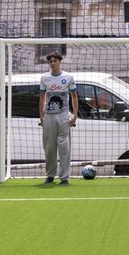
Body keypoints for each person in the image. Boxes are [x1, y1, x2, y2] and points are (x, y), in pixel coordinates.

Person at [38, 50, 78, 184]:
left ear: (60, 62)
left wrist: (75, 115)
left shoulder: (68, 77)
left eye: (55, 61)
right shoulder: (44, 78)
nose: (53, 63)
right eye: (50, 61)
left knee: (64, 147)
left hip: (63, 115)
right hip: (49, 116)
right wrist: (41, 116)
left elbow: (74, 96)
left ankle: (64, 177)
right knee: (49, 147)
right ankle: (50, 175)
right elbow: (42, 97)